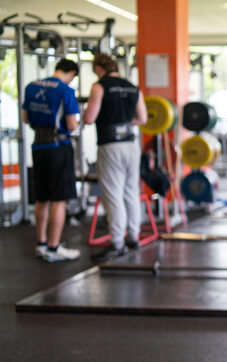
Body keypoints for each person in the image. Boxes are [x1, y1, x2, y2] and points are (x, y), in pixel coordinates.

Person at [82, 54, 147, 262]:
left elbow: (89, 118)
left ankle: (117, 243)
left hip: (110, 146)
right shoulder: (133, 87)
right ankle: (133, 238)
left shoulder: (99, 86)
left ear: (99, 68)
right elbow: (142, 118)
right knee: (131, 193)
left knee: (113, 196)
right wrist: (124, 124)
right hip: (131, 144)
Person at [22, 59, 82, 262]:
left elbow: (25, 118)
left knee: (42, 197)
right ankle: (54, 247)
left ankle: (41, 244)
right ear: (72, 73)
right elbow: (72, 124)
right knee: (59, 199)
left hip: (38, 145)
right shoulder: (65, 90)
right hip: (58, 147)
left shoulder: (31, 86)